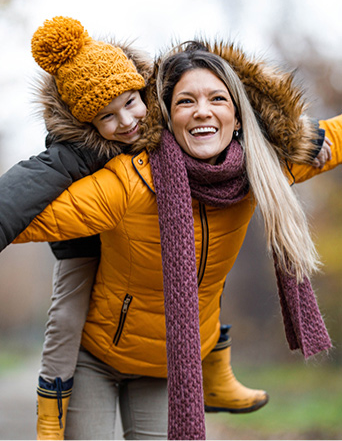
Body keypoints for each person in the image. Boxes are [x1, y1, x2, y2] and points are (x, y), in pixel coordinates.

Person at [11, 33, 340, 440]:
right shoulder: (129, 182)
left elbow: (334, 135)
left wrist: (310, 139)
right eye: (186, 101)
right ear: (166, 113)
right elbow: (29, 218)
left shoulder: (261, 172)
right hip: (94, 356)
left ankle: (219, 370)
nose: (202, 112)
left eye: (218, 99)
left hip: (171, 363)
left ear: (239, 116)